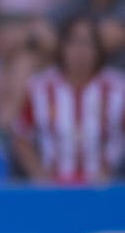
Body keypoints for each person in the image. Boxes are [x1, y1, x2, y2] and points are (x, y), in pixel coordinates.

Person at [11, 16, 125, 184]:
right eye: (74, 42)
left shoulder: (118, 89)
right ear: (62, 47)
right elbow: (21, 137)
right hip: (54, 187)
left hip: (105, 189)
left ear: (98, 49)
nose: (80, 51)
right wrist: (40, 176)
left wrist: (111, 171)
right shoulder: (40, 88)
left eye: (87, 43)